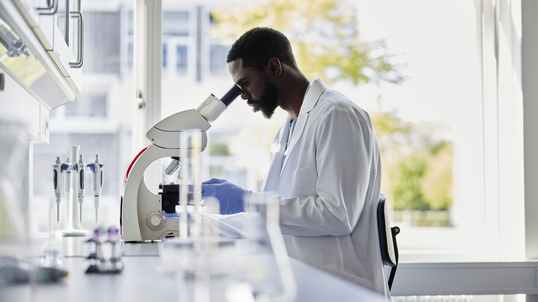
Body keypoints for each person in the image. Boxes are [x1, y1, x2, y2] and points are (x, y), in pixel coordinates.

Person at [201, 27, 388, 297]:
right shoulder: (285, 134)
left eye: (244, 83)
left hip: (343, 290)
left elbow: (337, 214)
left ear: (274, 67)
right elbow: (272, 218)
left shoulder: (337, 114)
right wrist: (203, 221)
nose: (242, 95)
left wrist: (246, 199)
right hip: (302, 286)